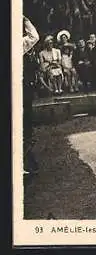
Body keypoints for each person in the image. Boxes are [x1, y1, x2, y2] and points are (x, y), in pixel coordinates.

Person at [23, 16, 40, 175]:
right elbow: (33, 37)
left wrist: (26, 20)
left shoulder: (17, 44)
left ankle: (27, 161)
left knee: (25, 123)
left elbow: (33, 37)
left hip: (21, 88)